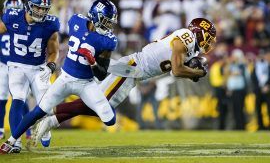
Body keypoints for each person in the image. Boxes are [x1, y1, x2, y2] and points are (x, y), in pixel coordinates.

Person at [33, 17, 216, 146]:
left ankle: (50, 119)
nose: (210, 42)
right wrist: (195, 72)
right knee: (99, 106)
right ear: (199, 33)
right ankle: (47, 116)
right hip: (131, 68)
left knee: (96, 107)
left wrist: (192, 72)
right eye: (209, 36)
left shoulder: (191, 49)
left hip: (135, 74)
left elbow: (177, 72)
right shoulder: (186, 36)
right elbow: (177, 70)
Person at [0, 0, 119, 154]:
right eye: (106, 21)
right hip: (65, 79)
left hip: (86, 83)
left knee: (111, 119)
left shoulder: (108, 40)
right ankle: (11, 141)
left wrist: (93, 62)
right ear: (95, 16)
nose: (109, 26)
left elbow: (101, 75)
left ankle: (52, 118)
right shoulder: (76, 21)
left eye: (111, 22)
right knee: (38, 111)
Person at [0, 0, 60, 153]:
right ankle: (16, 142)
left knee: (46, 105)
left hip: (38, 68)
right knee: (18, 99)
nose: (41, 11)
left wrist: (51, 66)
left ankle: (45, 129)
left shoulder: (50, 24)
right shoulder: (12, 17)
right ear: (28, 5)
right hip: (16, 66)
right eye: (38, 7)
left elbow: (54, 51)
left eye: (44, 8)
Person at [0, 0, 31, 140]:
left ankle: (27, 129)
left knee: (19, 98)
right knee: (7, 99)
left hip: (16, 67)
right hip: (5, 66)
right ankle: (2, 129)